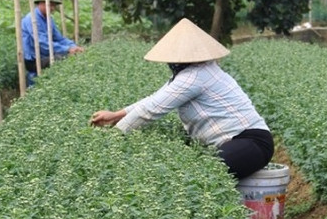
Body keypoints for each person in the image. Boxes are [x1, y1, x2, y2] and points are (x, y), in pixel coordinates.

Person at [89, 18, 274, 180]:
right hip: (238, 143)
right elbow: (153, 100)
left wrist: (113, 139)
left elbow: (150, 111)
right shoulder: (192, 74)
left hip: (251, 142)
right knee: (203, 175)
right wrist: (115, 116)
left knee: (205, 175)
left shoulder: (194, 77)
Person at [21, 0, 84, 86]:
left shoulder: (48, 19)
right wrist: (67, 49)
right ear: (40, 4)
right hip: (34, 59)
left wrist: (73, 46)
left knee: (70, 56)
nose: (52, 8)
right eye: (50, 5)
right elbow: (42, 43)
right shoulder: (32, 19)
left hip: (46, 55)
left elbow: (59, 38)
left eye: (54, 5)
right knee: (61, 58)